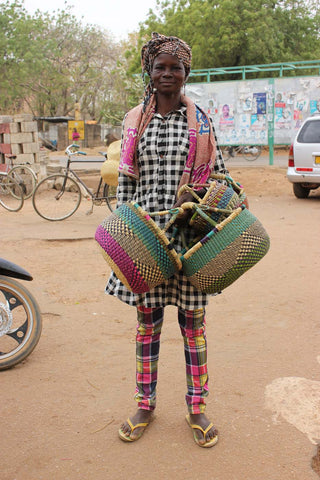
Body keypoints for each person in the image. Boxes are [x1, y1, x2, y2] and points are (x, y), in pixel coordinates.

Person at [105, 32, 229, 447]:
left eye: (176, 67)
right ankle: (145, 403)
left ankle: (197, 408)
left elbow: (221, 177)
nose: (168, 73)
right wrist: (123, 235)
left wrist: (206, 202)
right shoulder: (132, 122)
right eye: (161, 66)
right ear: (150, 71)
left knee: (193, 329)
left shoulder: (203, 123)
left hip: (191, 242)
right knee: (147, 329)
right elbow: (125, 185)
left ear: (185, 73)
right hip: (146, 243)